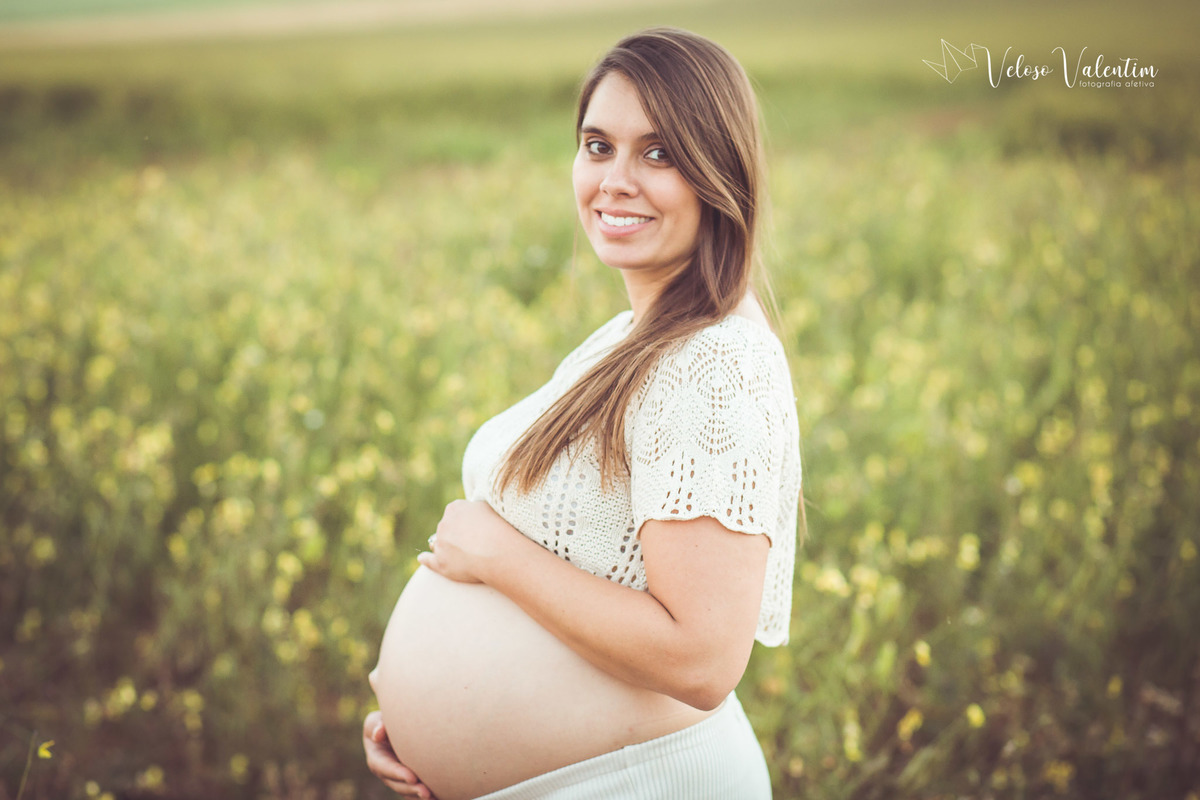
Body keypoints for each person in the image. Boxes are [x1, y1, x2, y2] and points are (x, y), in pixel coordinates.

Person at [363, 26, 802, 800]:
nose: (616, 180)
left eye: (658, 154)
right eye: (598, 146)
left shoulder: (714, 361)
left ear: (717, 173)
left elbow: (701, 658)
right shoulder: (638, 336)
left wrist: (495, 557)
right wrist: (421, 718)